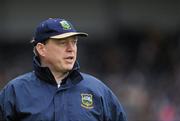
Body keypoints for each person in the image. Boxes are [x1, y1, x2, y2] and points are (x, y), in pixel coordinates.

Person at [0, 18, 127, 121]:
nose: (71, 48)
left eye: (74, 42)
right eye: (62, 43)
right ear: (41, 49)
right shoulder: (15, 92)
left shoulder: (98, 91)